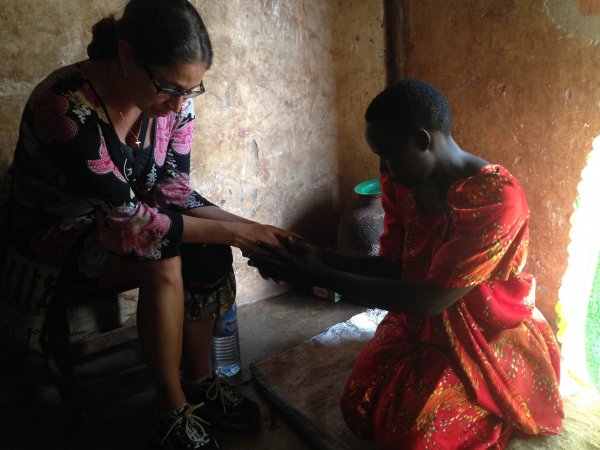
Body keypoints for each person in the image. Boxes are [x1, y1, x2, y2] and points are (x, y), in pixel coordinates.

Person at [0, 1, 289, 449]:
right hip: (55, 240)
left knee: (208, 248)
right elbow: (134, 220)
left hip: (124, 222)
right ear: (127, 55)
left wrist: (261, 231)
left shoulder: (173, 103)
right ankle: (169, 407)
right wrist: (239, 232)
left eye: (192, 91)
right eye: (170, 88)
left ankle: (199, 380)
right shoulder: (62, 106)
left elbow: (173, 191)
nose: (179, 104)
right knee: (162, 253)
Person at [249, 79, 564, 449]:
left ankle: (494, 410)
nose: (385, 169)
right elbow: (399, 268)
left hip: (486, 330)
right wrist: (320, 257)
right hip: (420, 317)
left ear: (422, 140)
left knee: (414, 437)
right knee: (360, 406)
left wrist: (320, 274)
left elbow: (430, 298)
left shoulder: (494, 198)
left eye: (388, 156)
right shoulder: (404, 182)